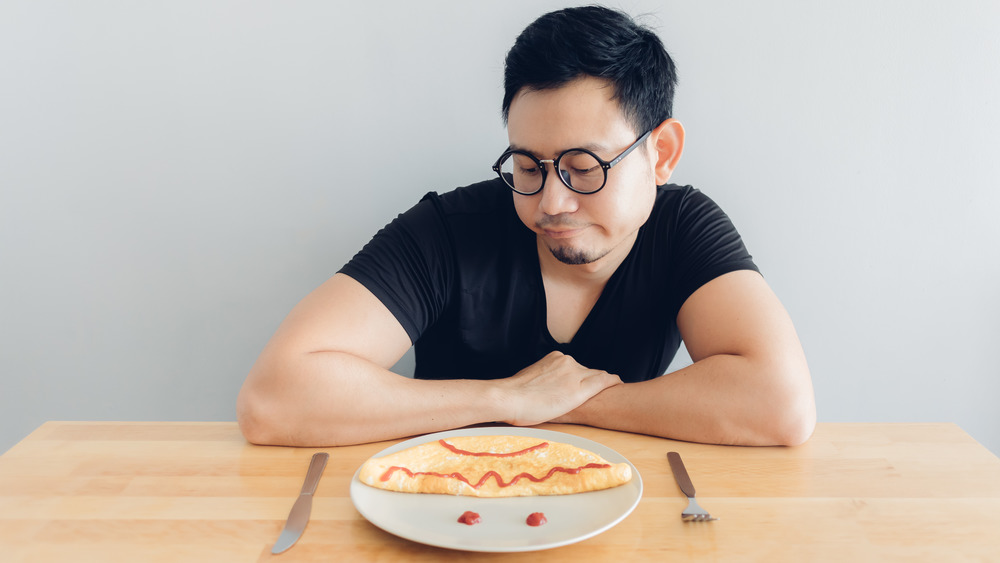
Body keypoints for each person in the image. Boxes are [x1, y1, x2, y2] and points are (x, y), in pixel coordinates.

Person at [237, 6, 815, 448]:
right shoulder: (448, 230)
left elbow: (781, 404)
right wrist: (504, 397)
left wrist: (566, 405)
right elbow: (273, 398)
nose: (551, 202)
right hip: (445, 510)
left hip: (608, 507)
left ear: (661, 153)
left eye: (584, 169)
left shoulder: (685, 226)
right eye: (527, 167)